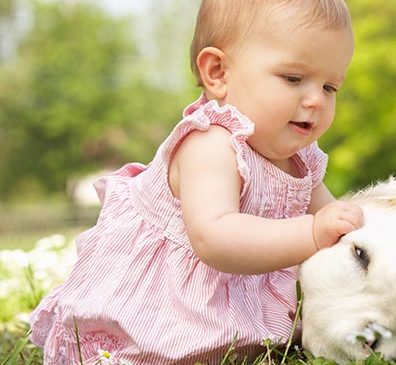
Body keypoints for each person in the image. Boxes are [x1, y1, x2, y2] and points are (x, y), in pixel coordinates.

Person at [28, 0, 363, 363]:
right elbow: (216, 237)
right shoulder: (210, 143)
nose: (315, 100)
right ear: (218, 72)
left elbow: (337, 222)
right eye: (293, 78)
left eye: (330, 87)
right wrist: (313, 233)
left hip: (229, 312)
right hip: (158, 314)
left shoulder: (302, 159)